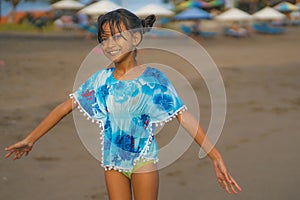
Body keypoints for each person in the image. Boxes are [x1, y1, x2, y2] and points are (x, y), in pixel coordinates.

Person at [5, 9, 241, 200]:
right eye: (104, 38)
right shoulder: (100, 80)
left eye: (117, 36)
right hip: (112, 162)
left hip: (143, 160)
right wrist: (31, 139)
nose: (110, 44)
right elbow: (64, 107)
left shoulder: (154, 79)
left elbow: (183, 116)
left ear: (135, 37)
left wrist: (215, 155)